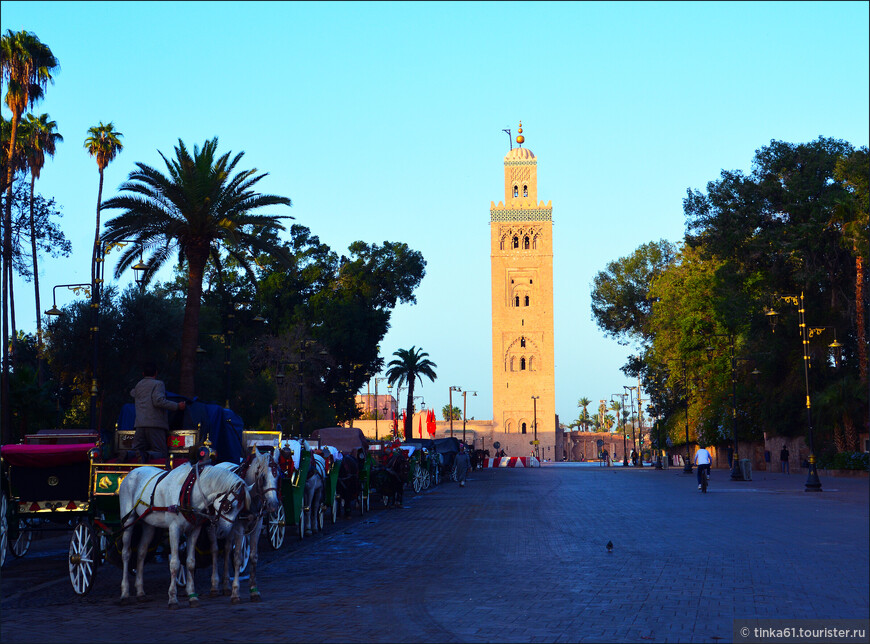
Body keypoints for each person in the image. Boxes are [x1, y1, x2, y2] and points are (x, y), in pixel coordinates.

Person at [130, 361, 185, 462]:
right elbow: (158, 401)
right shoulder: (158, 384)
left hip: (140, 424)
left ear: (143, 374)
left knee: (135, 450)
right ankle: (146, 455)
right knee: (161, 452)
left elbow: (133, 393)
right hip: (155, 425)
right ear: (156, 373)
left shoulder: (138, 385)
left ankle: (127, 454)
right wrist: (177, 406)